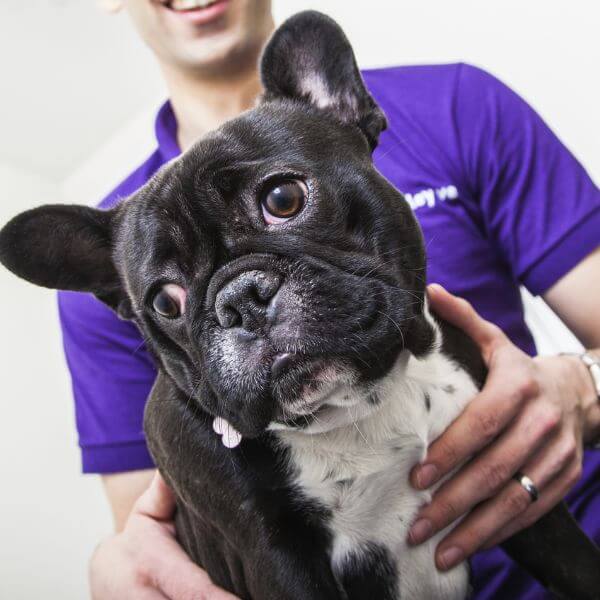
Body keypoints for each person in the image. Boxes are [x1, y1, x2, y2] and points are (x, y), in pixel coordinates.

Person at [60, 1, 600, 598]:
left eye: (284, 203)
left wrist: (585, 387)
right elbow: (162, 528)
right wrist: (117, 568)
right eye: (172, 302)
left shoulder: (457, 105)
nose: (246, 302)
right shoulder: (126, 253)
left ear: (341, 109)